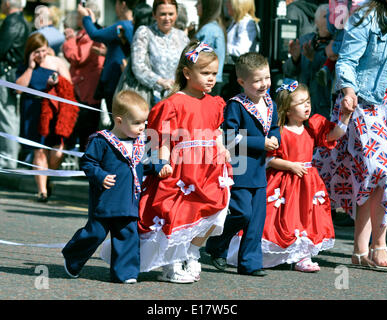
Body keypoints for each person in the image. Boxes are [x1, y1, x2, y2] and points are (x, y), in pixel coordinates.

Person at [315, 0, 387, 271]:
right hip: (363, 104)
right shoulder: (366, 16)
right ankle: (379, 246)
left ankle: (359, 251)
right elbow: (346, 59)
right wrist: (347, 91)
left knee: (371, 174)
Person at [228, 79, 351, 272]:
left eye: (308, 101)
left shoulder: (312, 126)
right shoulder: (280, 131)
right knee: (279, 219)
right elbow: (269, 160)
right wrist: (290, 165)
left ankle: (303, 256)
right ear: (287, 109)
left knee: (307, 217)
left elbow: (333, 135)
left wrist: (345, 117)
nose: (307, 106)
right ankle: (271, 254)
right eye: (301, 103)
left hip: (308, 183)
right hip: (283, 182)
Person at [137, 40, 232, 283]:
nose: (211, 78)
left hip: (209, 168)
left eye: (214, 73)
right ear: (187, 73)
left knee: (216, 211)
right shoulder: (173, 104)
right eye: (205, 73)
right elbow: (163, 140)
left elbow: (215, 131)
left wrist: (222, 149)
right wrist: (162, 162)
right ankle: (171, 264)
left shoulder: (214, 103)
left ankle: (192, 250)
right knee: (179, 213)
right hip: (181, 168)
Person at [62, 90, 168, 284]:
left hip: (128, 202)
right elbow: (88, 163)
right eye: (136, 123)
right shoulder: (101, 140)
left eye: (144, 122)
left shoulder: (139, 144)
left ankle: (125, 273)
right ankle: (73, 257)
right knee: (94, 234)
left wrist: (161, 166)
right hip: (105, 202)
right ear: (119, 121)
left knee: (127, 236)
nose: (142, 128)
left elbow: (145, 164)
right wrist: (100, 175)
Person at [205, 52, 280, 277]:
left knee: (256, 221)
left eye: (266, 78)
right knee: (242, 213)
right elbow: (230, 137)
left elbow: (274, 127)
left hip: (259, 169)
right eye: (257, 80)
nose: (264, 84)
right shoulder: (236, 105)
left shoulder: (270, 103)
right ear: (241, 82)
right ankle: (217, 243)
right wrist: (261, 142)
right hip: (240, 167)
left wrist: (276, 138)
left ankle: (249, 264)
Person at [15, 33, 72, 202]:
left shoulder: (56, 63)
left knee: (57, 152)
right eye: (37, 51)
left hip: (53, 110)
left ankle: (48, 178)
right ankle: (42, 192)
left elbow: (69, 86)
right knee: (39, 150)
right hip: (33, 109)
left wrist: (57, 82)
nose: (41, 54)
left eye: (43, 50)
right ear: (31, 52)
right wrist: (31, 68)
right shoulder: (25, 66)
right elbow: (18, 89)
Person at [0, 0, 30, 169]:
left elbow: (2, 48)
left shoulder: (12, 21)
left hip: (6, 72)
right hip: (12, 72)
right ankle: (8, 156)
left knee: (7, 115)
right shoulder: (22, 20)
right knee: (9, 115)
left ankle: (8, 158)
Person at [78, 0, 137, 113]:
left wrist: (85, 17)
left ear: (123, 4)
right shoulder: (131, 24)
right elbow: (107, 36)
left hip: (115, 80)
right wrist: (93, 22)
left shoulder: (123, 25)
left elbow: (95, 35)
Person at [63, 1, 105, 152]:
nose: (76, 18)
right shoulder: (87, 34)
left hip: (86, 91)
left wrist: (69, 40)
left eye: (78, 15)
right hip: (85, 89)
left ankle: (86, 166)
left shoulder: (89, 35)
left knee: (87, 131)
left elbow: (77, 57)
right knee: (85, 131)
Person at [130, 0, 189, 107]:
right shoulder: (144, 33)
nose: (167, 18)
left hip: (178, 98)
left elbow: (189, 65)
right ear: (154, 15)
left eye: (171, 14)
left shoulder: (182, 37)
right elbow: (138, 66)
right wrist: (160, 82)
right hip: (151, 97)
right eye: (163, 14)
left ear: (176, 14)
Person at [284, 4, 333, 119]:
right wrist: (295, 59)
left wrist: (314, 58)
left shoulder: (335, 45)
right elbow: (287, 71)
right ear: (316, 21)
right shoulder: (305, 40)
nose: (329, 20)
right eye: (326, 16)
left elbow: (332, 73)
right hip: (301, 108)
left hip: (325, 107)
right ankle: (233, 137)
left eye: (332, 17)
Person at [220, 0, 260, 101]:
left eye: (229, 2)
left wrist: (222, 46)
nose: (227, 4)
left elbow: (242, 50)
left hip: (241, 73)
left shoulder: (247, 22)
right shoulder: (236, 21)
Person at [194, 0, 226, 96]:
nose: (196, 6)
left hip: (206, 82)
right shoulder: (215, 27)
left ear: (207, 7)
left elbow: (194, 57)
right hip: (211, 80)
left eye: (199, 3)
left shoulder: (209, 30)